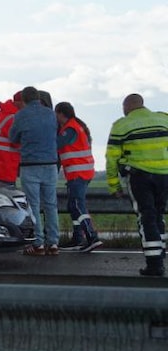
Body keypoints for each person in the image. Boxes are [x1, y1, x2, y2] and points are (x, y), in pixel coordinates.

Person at [105, 94, 168, 277]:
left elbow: (111, 158)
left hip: (140, 176)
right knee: (158, 215)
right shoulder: (164, 119)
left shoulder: (121, 125)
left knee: (146, 217)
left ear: (126, 107)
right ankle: (160, 255)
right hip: (164, 176)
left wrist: (114, 185)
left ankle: (154, 264)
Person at [9, 86, 60, 256]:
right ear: (38, 97)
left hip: (30, 165)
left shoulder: (21, 115)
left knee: (33, 206)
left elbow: (13, 138)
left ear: (23, 99)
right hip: (51, 165)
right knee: (51, 205)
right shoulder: (51, 114)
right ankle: (53, 243)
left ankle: (37, 243)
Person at [54, 102, 102, 252]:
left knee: (76, 205)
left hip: (78, 173)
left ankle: (91, 236)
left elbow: (55, 144)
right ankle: (77, 239)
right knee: (73, 206)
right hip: (81, 173)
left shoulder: (69, 129)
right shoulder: (77, 126)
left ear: (61, 114)